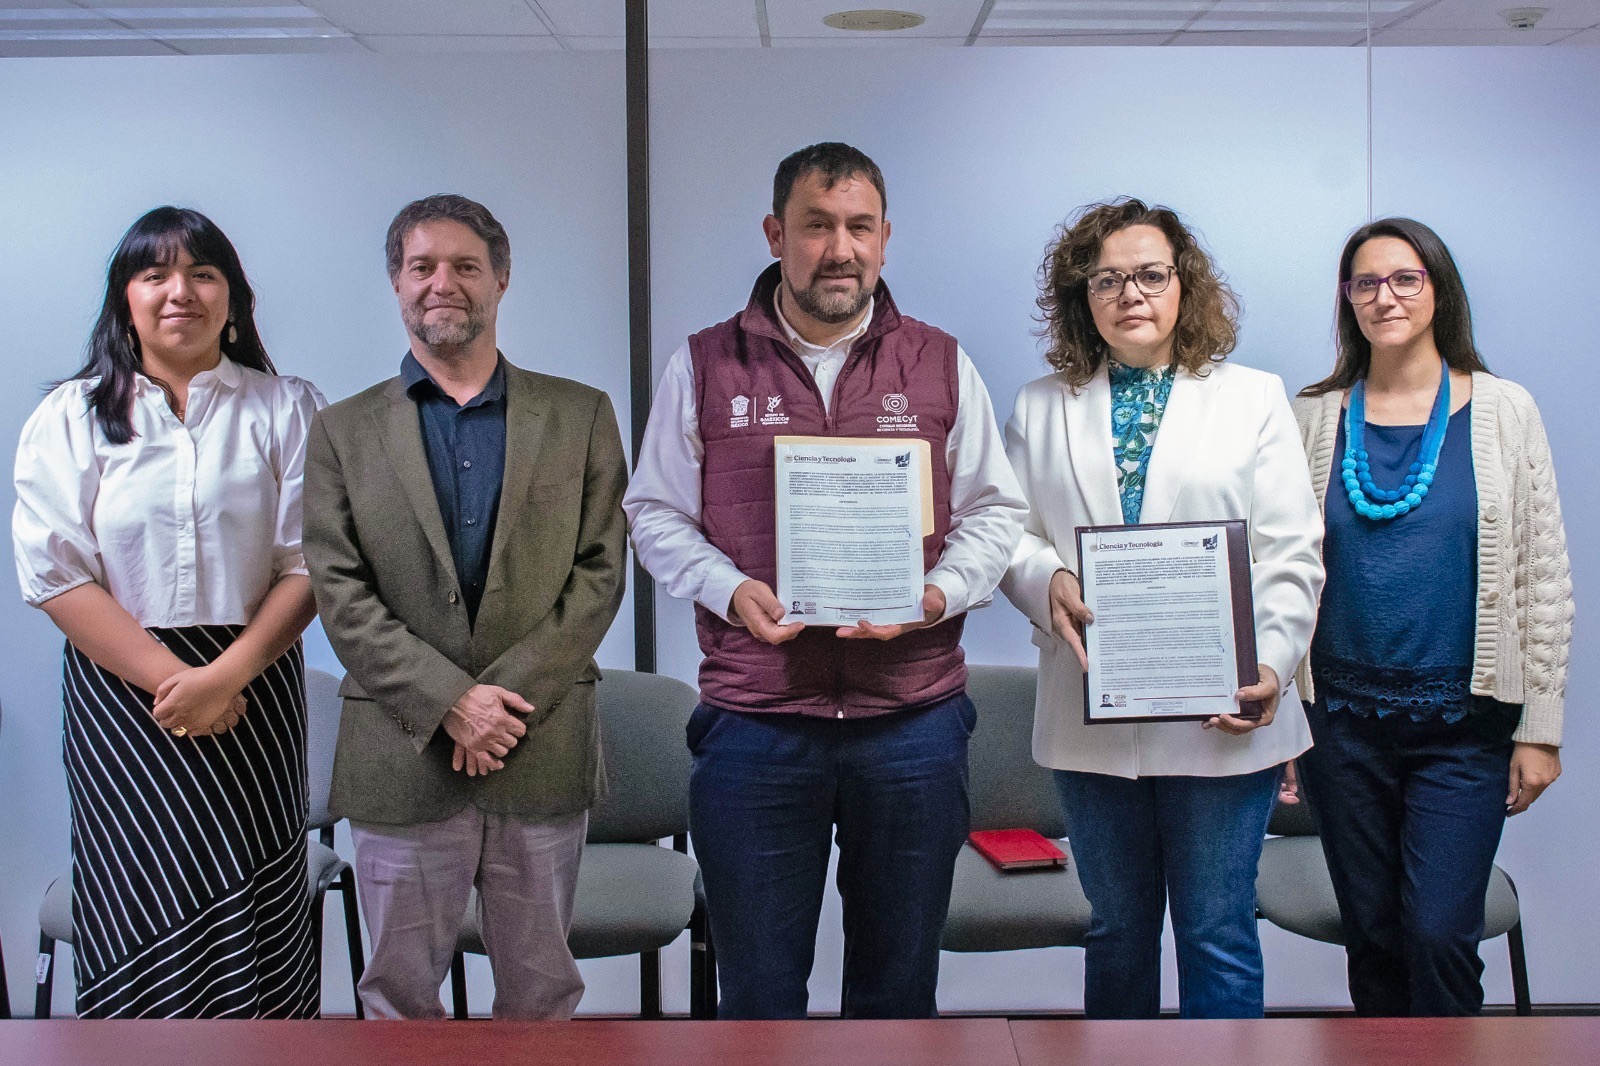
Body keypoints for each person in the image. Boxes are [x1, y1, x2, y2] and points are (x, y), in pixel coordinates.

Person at [624, 142, 1025, 1019]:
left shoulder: (941, 361)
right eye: (816, 225)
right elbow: (653, 514)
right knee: (760, 996)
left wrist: (933, 596)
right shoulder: (704, 364)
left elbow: (998, 513)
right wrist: (732, 590)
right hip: (755, 726)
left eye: (859, 226)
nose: (839, 248)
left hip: (911, 725)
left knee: (897, 992)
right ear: (776, 234)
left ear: (886, 239)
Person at [303, 195, 627, 1020]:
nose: (442, 283)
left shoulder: (581, 414)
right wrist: (450, 704)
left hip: (538, 743)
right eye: (422, 267)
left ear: (502, 279)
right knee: (398, 997)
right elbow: (340, 589)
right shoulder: (342, 431)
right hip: (399, 758)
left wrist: (495, 706)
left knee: (543, 994)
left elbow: (599, 572)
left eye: (465, 266)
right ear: (397, 283)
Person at [999, 198, 1324, 1019]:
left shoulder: (1253, 397)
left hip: (1224, 713)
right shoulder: (1042, 404)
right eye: (1106, 279)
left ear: (1185, 286)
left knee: (1216, 931)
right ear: (1082, 297)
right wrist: (1048, 582)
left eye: (1150, 274)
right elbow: (1005, 533)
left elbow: (1292, 551)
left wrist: (1274, 664)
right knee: (1115, 930)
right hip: (1090, 712)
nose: (1129, 293)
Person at [13, 206, 323, 1018]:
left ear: (233, 297)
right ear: (125, 298)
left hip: (253, 687)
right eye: (155, 274)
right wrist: (176, 681)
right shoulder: (70, 416)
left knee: (251, 897)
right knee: (140, 894)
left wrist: (224, 678)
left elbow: (311, 562)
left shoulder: (285, 406)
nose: (179, 291)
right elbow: (55, 573)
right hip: (124, 692)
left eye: (203, 273)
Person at [1291, 218, 1571, 1016]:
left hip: (1465, 722)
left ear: (1438, 290)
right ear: (1347, 300)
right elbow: (1274, 578)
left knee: (1440, 932)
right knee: (1372, 933)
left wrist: (1540, 728)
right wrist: (1282, 718)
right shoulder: (1314, 415)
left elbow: (1543, 576)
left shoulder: (1506, 410)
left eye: (1405, 279)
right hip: (1339, 722)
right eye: (1366, 282)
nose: (1386, 297)